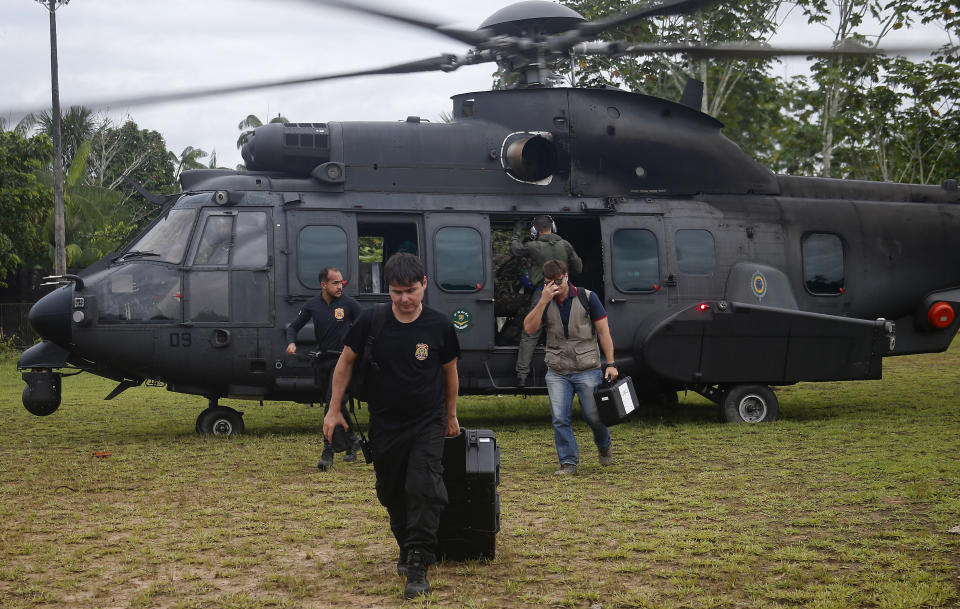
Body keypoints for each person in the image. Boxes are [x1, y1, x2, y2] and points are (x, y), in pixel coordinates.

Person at [323, 252, 460, 600]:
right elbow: (344, 363)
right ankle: (405, 541)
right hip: (385, 423)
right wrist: (333, 410)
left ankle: (418, 561)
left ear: (424, 285)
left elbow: (449, 372)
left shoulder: (439, 325)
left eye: (411, 290)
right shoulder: (372, 321)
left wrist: (451, 414)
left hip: (428, 420)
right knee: (391, 492)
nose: (404, 299)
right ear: (389, 290)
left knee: (424, 487)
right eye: (397, 292)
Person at [523, 259, 618, 476]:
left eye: (558, 280)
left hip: (587, 368)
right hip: (557, 370)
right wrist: (542, 301)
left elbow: (603, 332)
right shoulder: (544, 299)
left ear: (566, 276)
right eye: (549, 282)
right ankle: (568, 462)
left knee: (594, 416)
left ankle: (604, 444)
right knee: (559, 418)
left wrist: (610, 363)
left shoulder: (588, 297)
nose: (555, 285)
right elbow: (529, 329)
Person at [285, 267, 362, 471]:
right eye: (335, 283)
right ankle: (353, 440)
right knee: (337, 405)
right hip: (323, 362)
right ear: (323, 285)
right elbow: (293, 327)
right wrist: (292, 343)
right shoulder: (312, 305)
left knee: (331, 405)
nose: (340, 286)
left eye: (341, 282)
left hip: (343, 363)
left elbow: (364, 325)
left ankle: (327, 452)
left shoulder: (349, 304)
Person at [510, 215, 583, 387]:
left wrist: (517, 230)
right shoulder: (566, 245)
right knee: (570, 332)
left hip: (542, 292)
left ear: (535, 230)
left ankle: (522, 376)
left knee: (530, 334)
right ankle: (575, 371)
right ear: (553, 227)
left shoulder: (533, 246)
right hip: (564, 293)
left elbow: (515, 249)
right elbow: (579, 268)